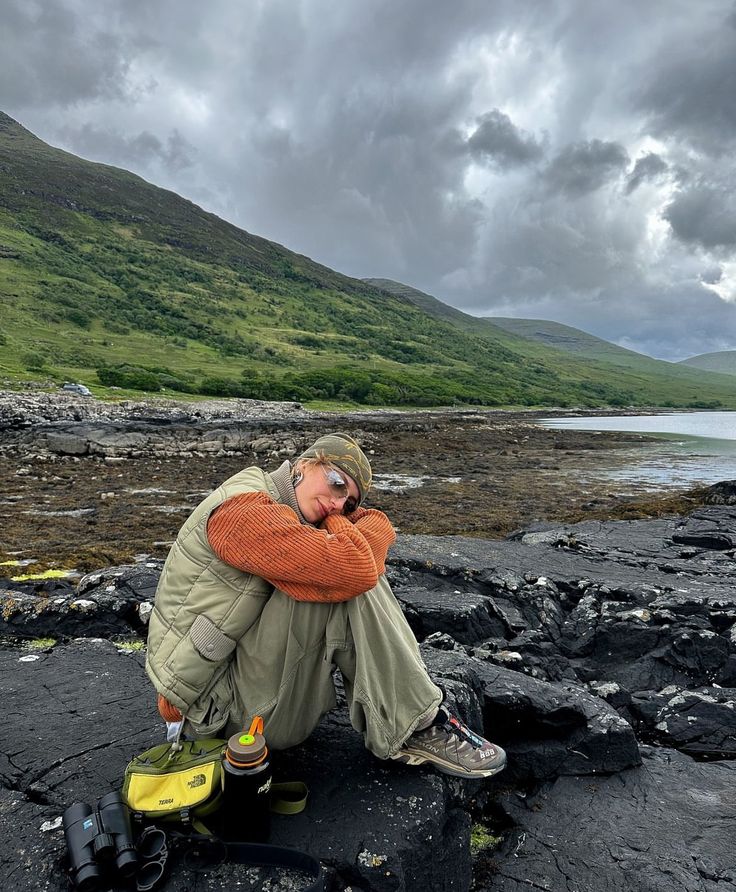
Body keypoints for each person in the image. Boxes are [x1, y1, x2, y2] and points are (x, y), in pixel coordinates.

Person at [146, 432, 506, 779]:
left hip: (236, 687)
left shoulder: (284, 505)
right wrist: (341, 523)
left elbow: (377, 525)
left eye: (349, 502)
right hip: (219, 714)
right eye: (336, 483)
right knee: (345, 579)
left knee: (341, 571)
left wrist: (339, 519)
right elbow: (356, 566)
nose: (337, 502)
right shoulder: (241, 510)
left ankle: (412, 720)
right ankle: (416, 726)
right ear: (303, 465)